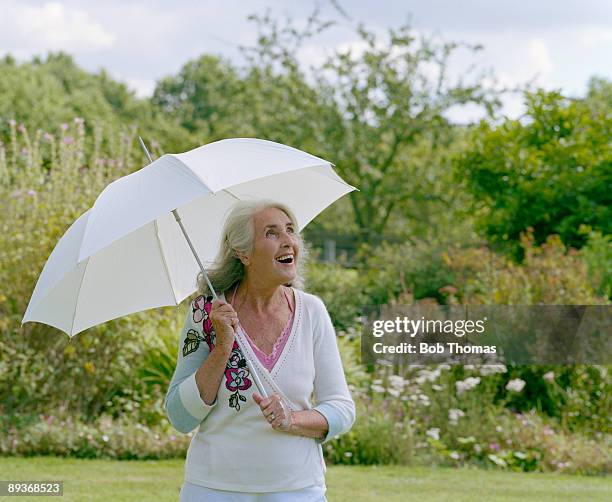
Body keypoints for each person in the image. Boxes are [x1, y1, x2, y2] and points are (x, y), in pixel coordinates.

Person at [164, 199, 356, 501]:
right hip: (214, 490)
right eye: (271, 233)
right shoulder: (206, 312)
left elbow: (342, 409)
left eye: (290, 230)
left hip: (298, 490)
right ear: (243, 253)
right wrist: (222, 346)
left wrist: (292, 419)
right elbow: (179, 415)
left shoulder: (312, 311)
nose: (288, 241)